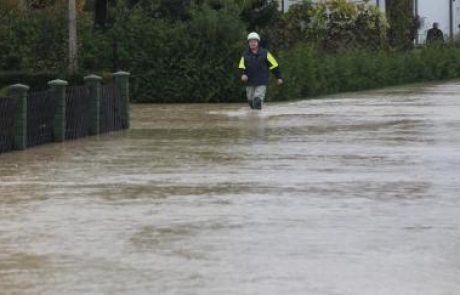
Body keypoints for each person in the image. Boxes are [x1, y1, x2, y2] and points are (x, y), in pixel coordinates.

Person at [238, 32, 283, 110]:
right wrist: (243, 74)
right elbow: (241, 67)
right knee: (251, 101)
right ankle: (253, 119)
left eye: (255, 41)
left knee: (257, 100)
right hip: (250, 82)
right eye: (251, 41)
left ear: (258, 42)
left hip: (262, 81)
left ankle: (258, 120)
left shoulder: (265, 53)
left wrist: (279, 77)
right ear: (248, 43)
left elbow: (274, 65)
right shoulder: (245, 55)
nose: (253, 43)